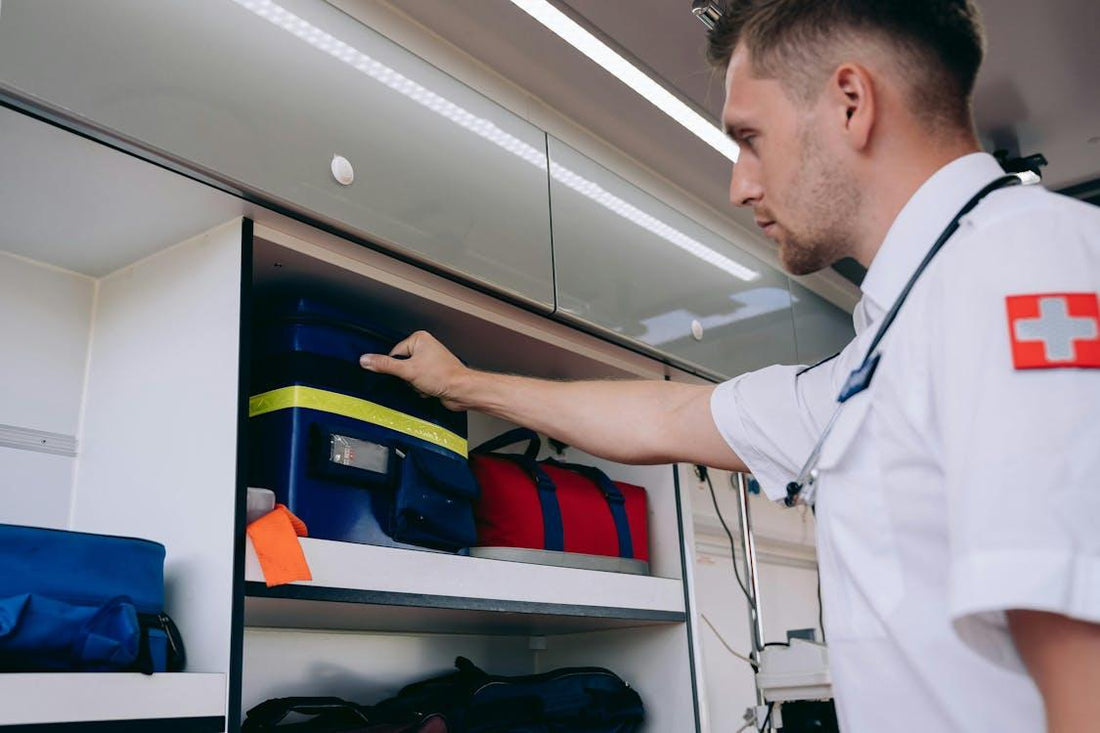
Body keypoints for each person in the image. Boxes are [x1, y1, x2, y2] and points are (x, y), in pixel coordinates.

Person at [359, 1, 1100, 730]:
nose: (740, 184)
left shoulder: (1017, 266)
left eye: (750, 137)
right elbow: (668, 414)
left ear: (851, 102)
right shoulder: (884, 349)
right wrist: (459, 383)